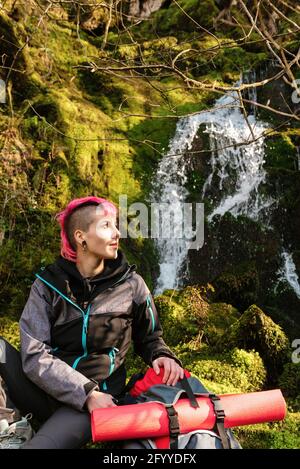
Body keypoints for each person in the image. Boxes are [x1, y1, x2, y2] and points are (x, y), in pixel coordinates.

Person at [0, 196, 184, 449]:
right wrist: (81, 390)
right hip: (45, 393)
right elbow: (33, 354)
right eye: (106, 225)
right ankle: (10, 427)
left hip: (96, 400)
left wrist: (161, 354)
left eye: (116, 225)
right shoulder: (48, 285)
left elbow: (150, 337)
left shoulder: (132, 285)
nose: (117, 232)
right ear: (80, 237)